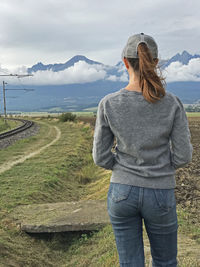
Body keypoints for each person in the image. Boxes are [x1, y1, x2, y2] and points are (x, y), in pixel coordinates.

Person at [92, 33, 193, 267]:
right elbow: (183, 156)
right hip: (160, 192)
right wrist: (162, 166)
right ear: (155, 62)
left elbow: (100, 156)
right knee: (166, 262)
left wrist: (120, 167)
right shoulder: (172, 103)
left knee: (130, 263)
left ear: (125, 62)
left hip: (121, 192)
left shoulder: (108, 103)